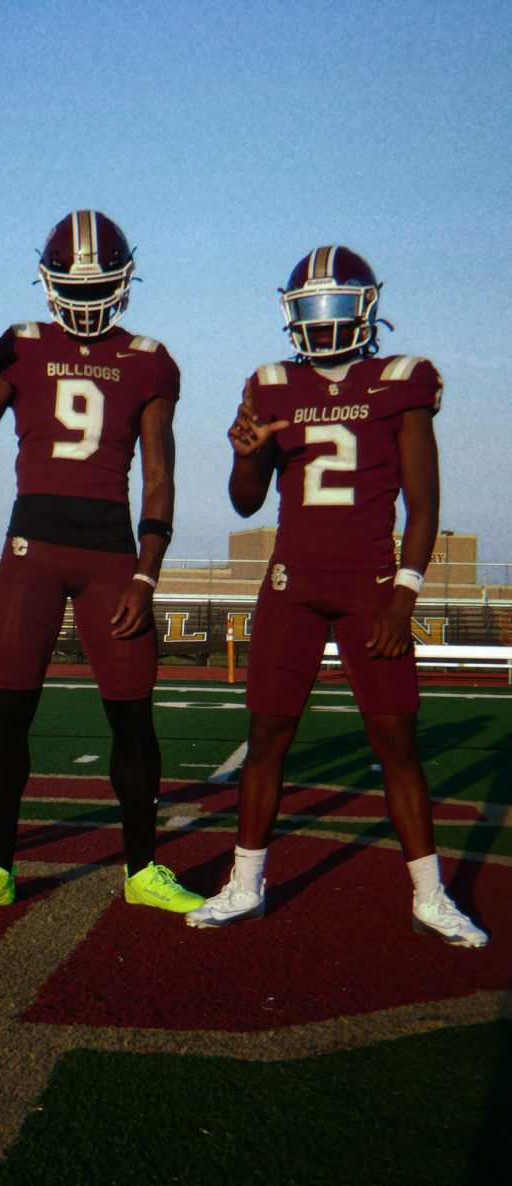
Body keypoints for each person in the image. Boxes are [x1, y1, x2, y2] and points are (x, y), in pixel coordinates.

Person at [185, 245, 487, 948]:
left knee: (396, 742)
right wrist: (244, 451)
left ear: (366, 308)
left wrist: (403, 601)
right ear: (292, 316)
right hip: (292, 582)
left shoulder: (401, 379)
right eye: (311, 311)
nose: (323, 325)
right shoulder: (270, 384)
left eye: (336, 308)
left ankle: (429, 895)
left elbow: (424, 504)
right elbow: (244, 502)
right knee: (266, 737)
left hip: (369, 587)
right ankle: (244, 883)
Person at [0, 209, 203, 914]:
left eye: (98, 289)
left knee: (133, 715)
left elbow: (160, 472)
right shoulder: (18, 343)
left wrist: (147, 573)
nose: (85, 306)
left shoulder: (148, 357)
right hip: (34, 547)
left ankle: (142, 870)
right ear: (49, 286)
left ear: (122, 283)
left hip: (112, 551)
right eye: (75, 292)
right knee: (9, 711)